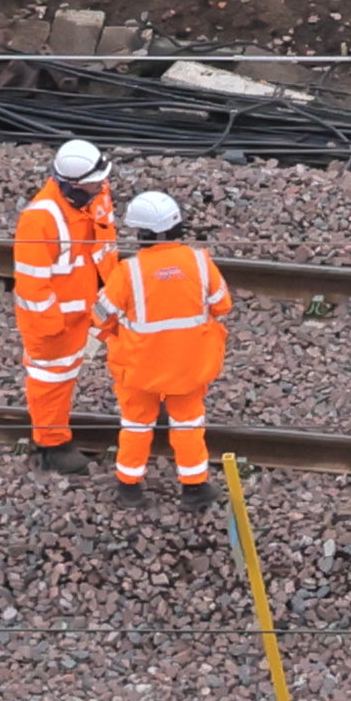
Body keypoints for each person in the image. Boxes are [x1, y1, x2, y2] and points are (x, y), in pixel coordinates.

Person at [98, 186, 232, 501]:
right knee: (188, 424)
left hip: (138, 369)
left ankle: (129, 487)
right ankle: (195, 486)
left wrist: (114, 335)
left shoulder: (128, 271)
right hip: (189, 367)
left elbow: (101, 316)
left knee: (136, 424)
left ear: (143, 233)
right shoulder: (200, 263)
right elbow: (222, 305)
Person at [11, 137, 116, 470]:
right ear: (72, 184)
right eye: (93, 183)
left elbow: (103, 245)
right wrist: (50, 329)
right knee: (52, 380)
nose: (101, 186)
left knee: (135, 345)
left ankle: (153, 405)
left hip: (101, 299)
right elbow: (32, 286)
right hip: (61, 319)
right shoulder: (39, 219)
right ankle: (53, 446)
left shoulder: (96, 190)